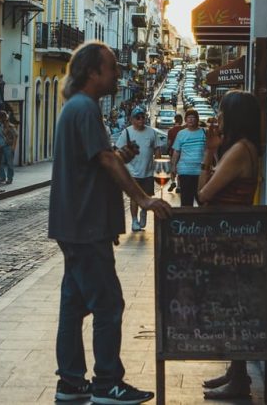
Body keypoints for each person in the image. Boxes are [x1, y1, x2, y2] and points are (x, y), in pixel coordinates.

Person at [49, 41, 172, 405]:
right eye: (112, 67)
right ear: (92, 72)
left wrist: (121, 155)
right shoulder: (85, 108)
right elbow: (104, 161)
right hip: (86, 226)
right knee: (108, 304)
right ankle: (107, 383)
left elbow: (99, 160)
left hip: (74, 224)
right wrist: (143, 198)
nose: (117, 74)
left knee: (73, 305)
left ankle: (70, 383)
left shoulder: (77, 108)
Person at [197, 90, 261, 400]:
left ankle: (239, 382)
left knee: (234, 310)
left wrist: (210, 156)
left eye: (222, 113)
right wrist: (211, 151)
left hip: (232, 240)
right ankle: (236, 373)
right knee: (232, 308)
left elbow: (204, 194)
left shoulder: (239, 151)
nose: (217, 118)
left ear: (235, 116)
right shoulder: (239, 148)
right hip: (231, 237)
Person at [116, 106, 163, 232]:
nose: (141, 120)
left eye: (143, 117)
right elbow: (119, 150)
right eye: (138, 118)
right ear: (132, 119)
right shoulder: (127, 132)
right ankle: (134, 221)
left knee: (147, 196)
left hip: (147, 172)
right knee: (134, 197)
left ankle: (144, 212)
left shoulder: (151, 132)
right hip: (132, 171)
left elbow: (157, 149)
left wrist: (158, 166)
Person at [170, 109, 206, 206]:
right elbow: (176, 152)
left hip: (200, 172)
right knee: (186, 201)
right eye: (189, 118)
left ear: (197, 120)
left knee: (202, 201)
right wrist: (173, 167)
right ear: (186, 120)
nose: (191, 120)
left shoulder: (204, 132)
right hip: (185, 171)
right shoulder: (181, 134)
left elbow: (210, 150)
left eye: (193, 118)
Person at [0, 114, 18, 185]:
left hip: (8, 147)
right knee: (0, 163)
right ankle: (2, 177)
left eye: (5, 121)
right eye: (3, 121)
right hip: (1, 146)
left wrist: (13, 147)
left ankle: (9, 179)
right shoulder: (0, 126)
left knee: (10, 164)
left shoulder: (11, 127)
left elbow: (15, 136)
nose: (4, 122)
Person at [166, 114, 184, 192]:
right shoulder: (183, 130)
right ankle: (179, 186)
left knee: (172, 167)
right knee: (180, 169)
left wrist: (168, 149)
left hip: (172, 151)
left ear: (175, 120)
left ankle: (173, 182)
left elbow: (169, 143)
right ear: (181, 120)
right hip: (182, 152)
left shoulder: (170, 130)